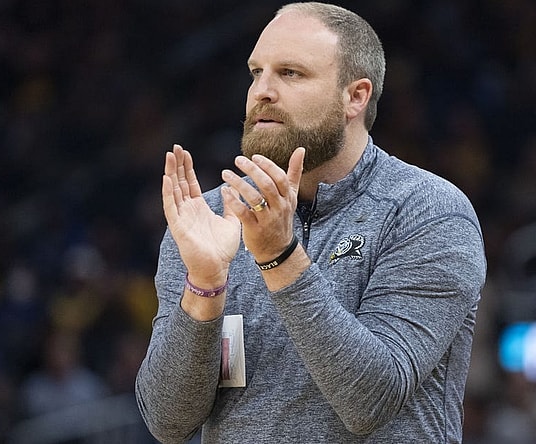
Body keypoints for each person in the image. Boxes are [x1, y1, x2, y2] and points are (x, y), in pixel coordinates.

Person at [135, 2, 486, 443]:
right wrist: (204, 286)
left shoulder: (427, 212)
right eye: (256, 72)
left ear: (355, 97)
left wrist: (279, 257)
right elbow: (167, 423)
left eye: (291, 73)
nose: (262, 91)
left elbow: (372, 398)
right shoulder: (208, 222)